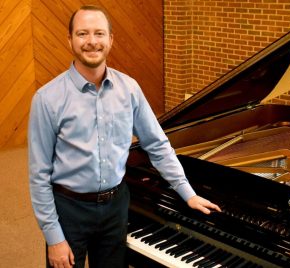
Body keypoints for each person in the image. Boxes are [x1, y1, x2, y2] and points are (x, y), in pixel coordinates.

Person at [28, 5, 221, 268]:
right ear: (70, 40)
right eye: (83, 34)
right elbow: (39, 175)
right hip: (69, 209)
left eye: (99, 33)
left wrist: (187, 192)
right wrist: (53, 237)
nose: (92, 42)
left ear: (110, 40)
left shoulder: (129, 89)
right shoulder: (47, 99)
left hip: (116, 207)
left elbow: (157, 144)